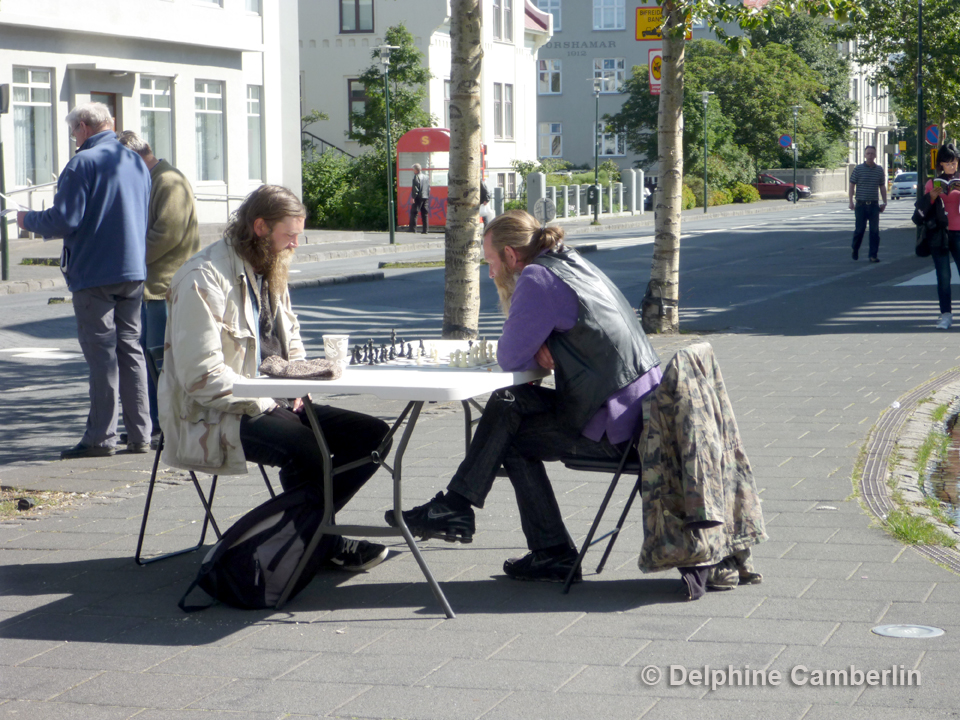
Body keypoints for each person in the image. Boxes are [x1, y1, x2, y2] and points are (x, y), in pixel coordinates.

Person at [387, 210, 662, 582]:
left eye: (491, 263)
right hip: (639, 413)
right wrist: (543, 344)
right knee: (507, 404)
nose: (490, 273)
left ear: (512, 256)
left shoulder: (537, 276)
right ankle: (458, 508)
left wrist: (535, 347)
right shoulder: (570, 261)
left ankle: (542, 547)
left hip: (616, 430)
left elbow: (509, 356)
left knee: (511, 440)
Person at [158, 185, 392, 571]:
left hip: (274, 398)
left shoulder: (268, 266)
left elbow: (290, 339)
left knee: (372, 436)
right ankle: (308, 544)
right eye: (290, 235)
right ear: (261, 227)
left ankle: (301, 540)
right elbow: (201, 378)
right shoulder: (203, 278)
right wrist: (269, 399)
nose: (295, 245)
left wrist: (300, 381)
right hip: (216, 411)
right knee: (310, 447)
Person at [17, 102, 153, 459]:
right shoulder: (135, 161)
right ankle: (141, 434)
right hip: (133, 271)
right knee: (131, 352)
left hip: (94, 272)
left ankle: (100, 438)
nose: (74, 136)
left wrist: (26, 219)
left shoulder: (81, 164)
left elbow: (64, 220)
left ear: (82, 126)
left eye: (74, 130)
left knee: (102, 357)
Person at [117, 130, 200, 442]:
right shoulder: (153, 179)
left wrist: (127, 258)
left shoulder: (168, 181)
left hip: (165, 287)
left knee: (159, 362)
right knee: (149, 359)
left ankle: (164, 425)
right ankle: (151, 424)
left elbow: (166, 233)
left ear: (134, 158)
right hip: (153, 286)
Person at [917, 143, 960, 330]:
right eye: (948, 163)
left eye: (955, 162)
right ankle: (946, 315)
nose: (952, 166)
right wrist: (933, 196)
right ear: (940, 164)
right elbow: (924, 210)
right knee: (943, 276)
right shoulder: (932, 184)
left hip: (959, 232)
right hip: (940, 234)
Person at [848, 145, 888, 262]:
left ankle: (873, 255)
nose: (870, 156)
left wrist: (884, 202)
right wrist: (851, 201)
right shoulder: (858, 169)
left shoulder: (879, 170)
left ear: (875, 155)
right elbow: (851, 185)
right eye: (868, 153)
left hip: (874, 205)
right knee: (860, 230)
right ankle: (855, 248)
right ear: (865, 155)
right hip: (861, 204)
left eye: (872, 154)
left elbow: (882, 186)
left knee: (874, 231)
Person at [408, 163, 430, 234]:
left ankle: (412, 229)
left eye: (413, 169)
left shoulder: (416, 177)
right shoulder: (426, 177)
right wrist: (427, 195)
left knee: (414, 212)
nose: (413, 171)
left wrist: (413, 197)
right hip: (425, 196)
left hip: (418, 197)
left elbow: (415, 188)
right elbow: (428, 188)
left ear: (415, 170)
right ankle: (425, 230)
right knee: (425, 214)